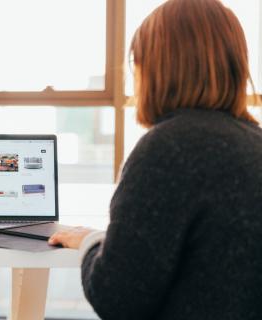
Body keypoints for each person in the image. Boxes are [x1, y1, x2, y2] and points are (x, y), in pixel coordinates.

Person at [47, 0, 262, 319]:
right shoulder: (254, 142)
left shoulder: (168, 148)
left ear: (156, 67)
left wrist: (91, 242)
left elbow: (117, 298)